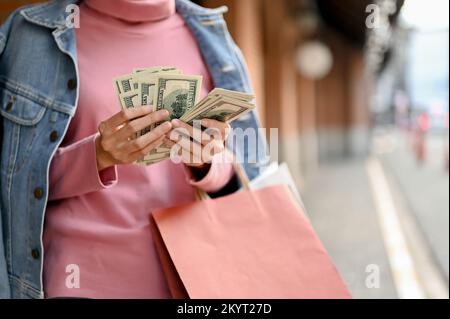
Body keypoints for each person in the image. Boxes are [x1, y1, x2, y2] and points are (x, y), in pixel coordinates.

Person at [0, 0, 267, 299]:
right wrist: (98, 156)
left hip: (192, 276)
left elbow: (242, 181)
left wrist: (207, 163)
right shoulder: (31, 33)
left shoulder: (211, 35)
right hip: (77, 277)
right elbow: (13, 181)